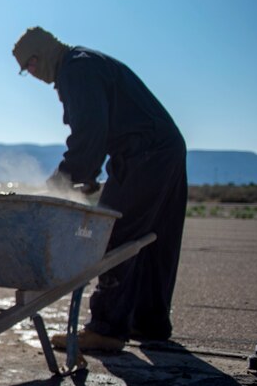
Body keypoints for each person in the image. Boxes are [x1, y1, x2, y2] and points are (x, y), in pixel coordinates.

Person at [12, 27, 188, 352]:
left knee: (112, 235)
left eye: (29, 68)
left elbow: (89, 134)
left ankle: (106, 329)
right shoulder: (86, 62)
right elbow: (99, 132)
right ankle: (148, 322)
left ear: (39, 56)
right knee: (151, 241)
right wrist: (88, 174)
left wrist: (59, 185)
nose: (33, 76)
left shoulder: (75, 69)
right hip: (167, 149)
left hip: (143, 153)